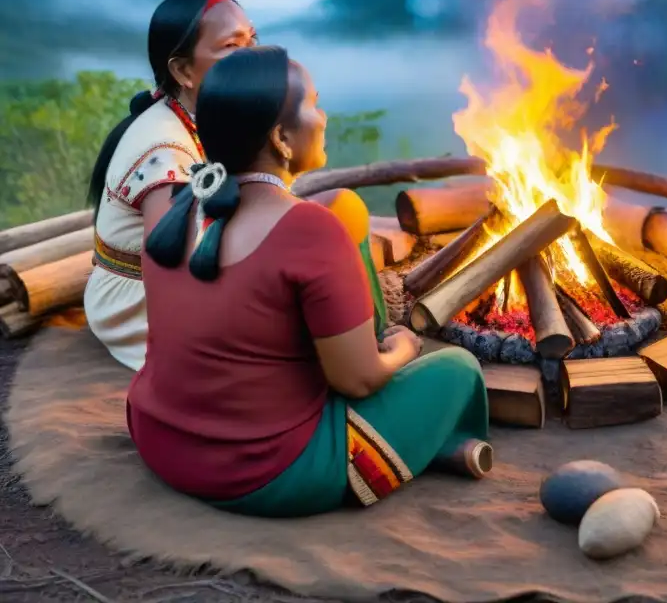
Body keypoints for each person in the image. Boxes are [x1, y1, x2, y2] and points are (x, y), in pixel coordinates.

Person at [127, 46, 491, 517]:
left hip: (161, 440)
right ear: (280, 137)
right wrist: (405, 349)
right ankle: (417, 425)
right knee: (458, 370)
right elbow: (358, 382)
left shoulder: (179, 209)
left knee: (344, 204)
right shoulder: (306, 232)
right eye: (314, 105)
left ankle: (361, 344)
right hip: (263, 471)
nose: (323, 117)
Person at [84, 0, 258, 371]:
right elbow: (172, 267)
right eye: (232, 46)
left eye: (253, 40)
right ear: (182, 71)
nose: (253, 57)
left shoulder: (199, 115)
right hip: (139, 308)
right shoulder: (164, 149)